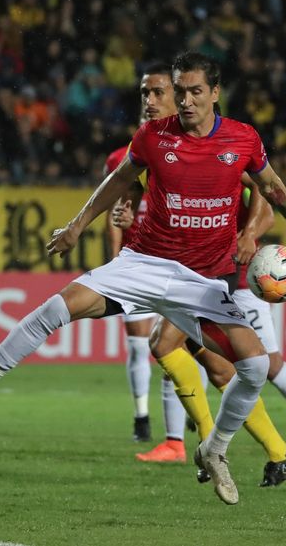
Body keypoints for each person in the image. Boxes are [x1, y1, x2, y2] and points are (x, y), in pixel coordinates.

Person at [0, 52, 286, 505]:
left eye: (194, 92)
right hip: (143, 264)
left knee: (256, 366)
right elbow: (117, 180)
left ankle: (214, 449)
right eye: (180, 91)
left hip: (202, 282)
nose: (185, 101)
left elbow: (269, 184)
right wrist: (77, 225)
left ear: (215, 93)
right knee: (57, 307)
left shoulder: (243, 139)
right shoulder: (152, 136)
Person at [129, 184, 286, 485]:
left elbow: (266, 207)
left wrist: (247, 235)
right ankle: (278, 452)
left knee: (259, 363)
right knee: (219, 370)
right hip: (197, 269)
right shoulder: (171, 160)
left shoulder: (226, 154)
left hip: (229, 274)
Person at [104, 62, 182, 443]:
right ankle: (142, 417)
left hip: (179, 262)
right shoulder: (126, 156)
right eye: (144, 98)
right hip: (138, 261)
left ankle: (186, 431)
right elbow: (114, 212)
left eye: (156, 95)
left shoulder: (186, 149)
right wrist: (116, 255)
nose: (149, 104)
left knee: (184, 355)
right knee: (140, 347)